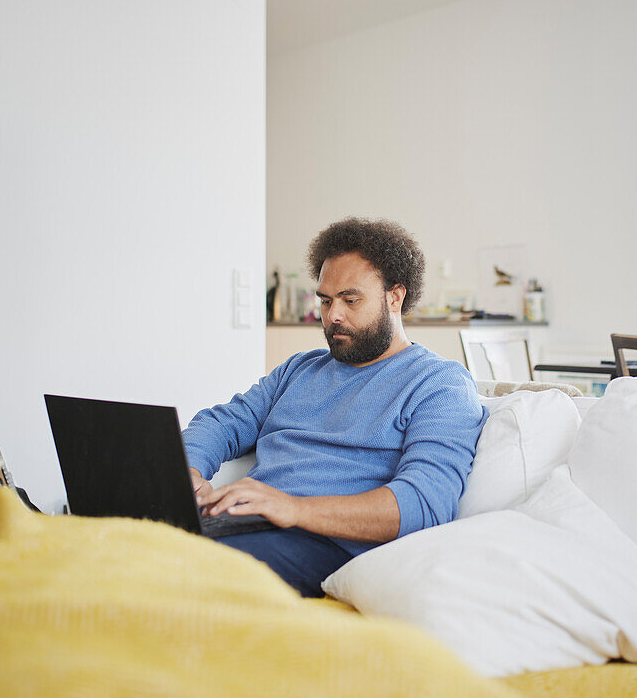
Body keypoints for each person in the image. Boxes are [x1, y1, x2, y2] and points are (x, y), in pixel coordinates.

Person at [183, 217, 487, 596]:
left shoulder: (438, 384)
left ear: (395, 297)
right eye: (325, 301)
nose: (333, 315)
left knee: (178, 569)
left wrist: (294, 509)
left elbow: (425, 503)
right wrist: (187, 473)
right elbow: (223, 422)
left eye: (350, 299)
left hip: (325, 545)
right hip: (243, 523)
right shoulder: (300, 369)